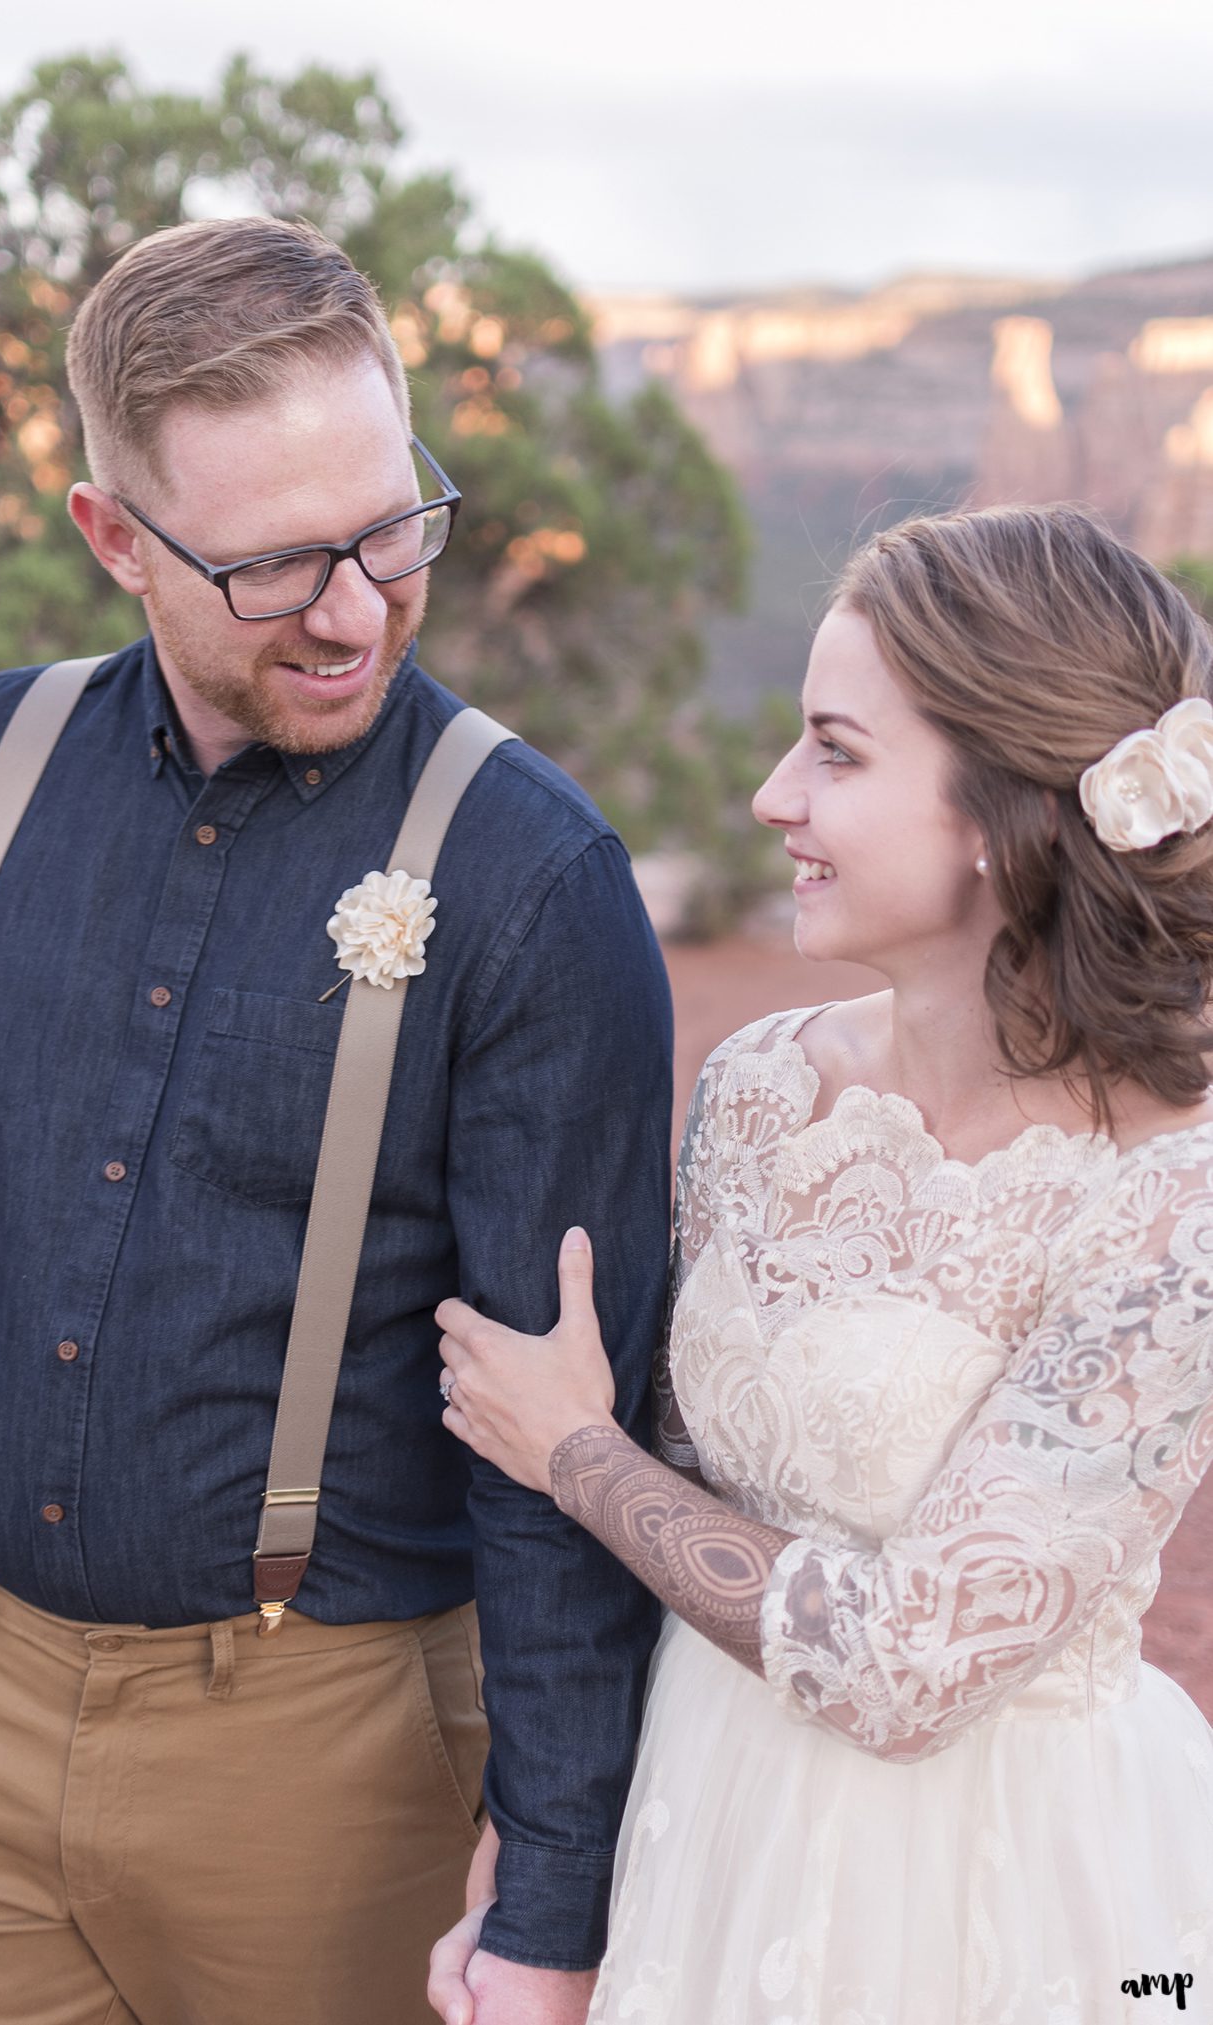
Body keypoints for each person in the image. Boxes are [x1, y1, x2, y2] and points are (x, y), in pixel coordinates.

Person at [0, 214, 672, 2025]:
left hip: (323, 1759)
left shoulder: (535, 881)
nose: (356, 604)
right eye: (278, 562)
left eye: (393, 528)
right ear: (114, 541)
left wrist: (549, 1899)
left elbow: (563, 1446)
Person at [429, 504, 1213, 2024]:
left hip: (1005, 1889)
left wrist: (572, 1451)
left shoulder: (1172, 1196)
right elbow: (680, 1499)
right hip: (703, 1824)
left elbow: (909, 1665)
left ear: (997, 808)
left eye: (836, 752)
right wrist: (542, 1856)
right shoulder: (759, 1089)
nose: (769, 792)